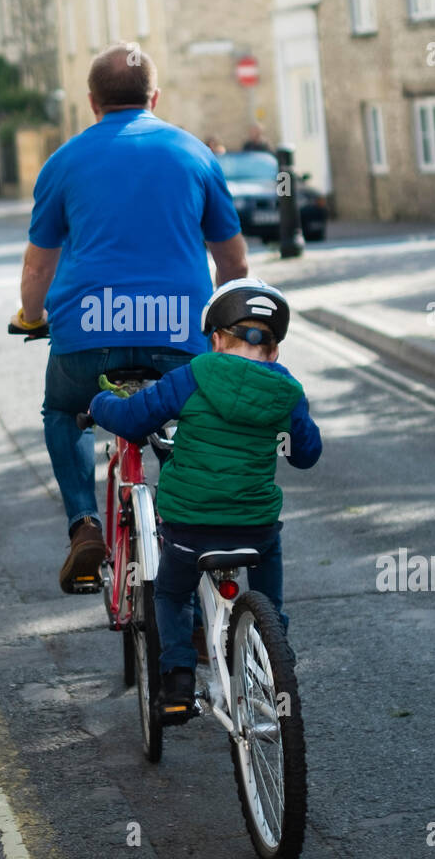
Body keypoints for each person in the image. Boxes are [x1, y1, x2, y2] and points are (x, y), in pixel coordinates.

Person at [11, 42, 249, 592]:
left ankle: (85, 525)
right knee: (194, 415)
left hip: (87, 340)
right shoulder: (195, 154)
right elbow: (233, 261)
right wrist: (221, 330)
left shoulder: (63, 162)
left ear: (92, 101)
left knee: (64, 409)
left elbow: (37, 265)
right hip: (177, 336)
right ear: (155, 97)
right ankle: (190, 531)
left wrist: (31, 315)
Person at [86, 278, 322, 714]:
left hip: (189, 529)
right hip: (255, 527)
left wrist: (100, 402)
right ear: (274, 351)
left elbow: (133, 420)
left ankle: (176, 679)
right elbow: (307, 454)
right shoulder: (286, 390)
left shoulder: (192, 376)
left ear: (215, 339)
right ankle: (274, 646)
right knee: (267, 565)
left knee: (172, 593)